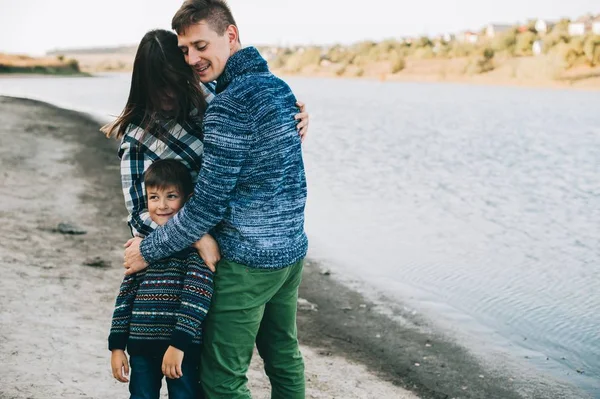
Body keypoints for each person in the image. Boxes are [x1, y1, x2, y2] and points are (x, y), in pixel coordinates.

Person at [124, 1, 308, 398]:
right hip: (290, 250)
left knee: (224, 379)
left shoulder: (226, 103)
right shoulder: (276, 88)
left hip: (247, 259)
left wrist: (149, 249)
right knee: (283, 355)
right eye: (186, 50)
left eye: (200, 46)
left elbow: (209, 202)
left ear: (231, 35)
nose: (193, 59)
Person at [103, 28, 309, 272]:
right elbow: (139, 216)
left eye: (175, 82)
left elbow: (261, 144)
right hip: (191, 254)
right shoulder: (139, 140)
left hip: (246, 240)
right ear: (143, 85)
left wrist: (291, 120)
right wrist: (197, 238)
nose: (168, 94)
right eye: (158, 86)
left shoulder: (213, 97)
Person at [109, 159, 214, 399]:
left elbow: (195, 302)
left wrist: (178, 346)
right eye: (154, 197)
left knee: (184, 395)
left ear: (187, 200)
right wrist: (117, 347)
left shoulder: (194, 255)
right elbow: (124, 301)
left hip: (181, 350)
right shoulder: (144, 250)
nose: (162, 205)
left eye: (171, 196)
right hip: (141, 347)